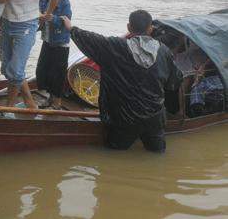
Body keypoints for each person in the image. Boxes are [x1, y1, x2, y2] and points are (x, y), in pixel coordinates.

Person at [62, 10, 183, 152]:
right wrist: (173, 109)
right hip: (155, 117)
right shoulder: (164, 51)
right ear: (150, 29)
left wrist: (70, 28)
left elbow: (90, 39)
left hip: (124, 117)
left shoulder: (115, 46)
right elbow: (175, 80)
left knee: (114, 154)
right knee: (157, 154)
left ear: (128, 27)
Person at [0, 0, 62, 110]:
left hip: (26, 26)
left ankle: (16, 105)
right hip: (6, 23)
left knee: (15, 70)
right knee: (7, 68)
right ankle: (27, 103)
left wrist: (47, 14)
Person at [36, 0, 72, 108]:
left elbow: (66, 21)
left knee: (57, 74)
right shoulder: (43, 0)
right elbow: (38, 17)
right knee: (43, 71)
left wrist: (52, 18)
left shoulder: (64, 2)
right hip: (47, 41)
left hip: (60, 44)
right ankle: (50, 98)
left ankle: (57, 102)